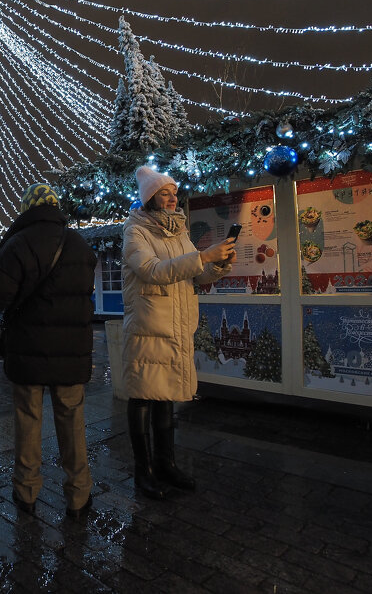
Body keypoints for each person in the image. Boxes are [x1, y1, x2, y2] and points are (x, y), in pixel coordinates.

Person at [0, 184, 97, 519]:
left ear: (27, 209)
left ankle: (26, 491)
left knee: (28, 419)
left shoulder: (19, 244)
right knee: (73, 422)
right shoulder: (79, 244)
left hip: (29, 350)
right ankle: (79, 495)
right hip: (71, 352)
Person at [122, 167, 235, 499]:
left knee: (166, 396)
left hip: (176, 326)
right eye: (164, 193)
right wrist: (202, 257)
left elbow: (193, 275)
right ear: (150, 198)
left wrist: (217, 265)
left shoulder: (179, 231)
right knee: (143, 396)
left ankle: (166, 463)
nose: (172, 198)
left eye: (174, 192)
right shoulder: (136, 231)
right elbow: (152, 270)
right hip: (149, 326)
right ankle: (143, 472)